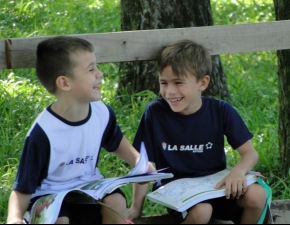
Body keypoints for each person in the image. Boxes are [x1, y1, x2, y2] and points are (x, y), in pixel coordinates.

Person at [6, 36, 154, 224]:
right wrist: (15, 218)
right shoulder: (42, 133)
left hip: (89, 187)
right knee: (61, 221)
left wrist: (139, 162)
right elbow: (22, 188)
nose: (99, 74)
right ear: (65, 83)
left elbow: (116, 142)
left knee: (116, 201)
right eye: (91, 69)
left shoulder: (101, 112)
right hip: (51, 195)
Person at [128, 40, 267, 224]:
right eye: (164, 82)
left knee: (257, 195)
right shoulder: (155, 113)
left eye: (178, 83)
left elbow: (250, 153)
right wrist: (135, 208)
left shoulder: (221, 110)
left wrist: (238, 172)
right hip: (178, 192)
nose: (169, 91)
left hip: (215, 187)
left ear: (203, 82)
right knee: (202, 211)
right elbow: (145, 164)